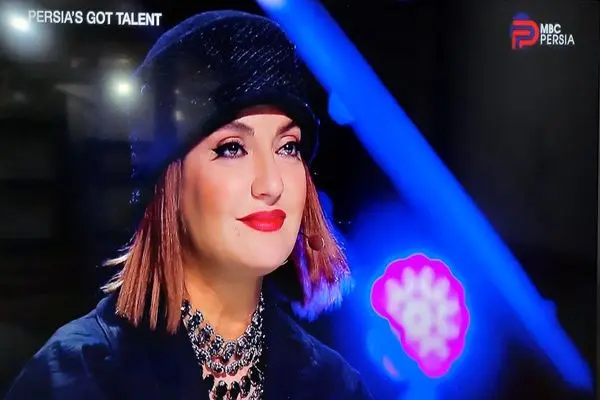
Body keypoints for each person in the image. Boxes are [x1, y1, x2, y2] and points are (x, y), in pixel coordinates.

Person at [5, 10, 373, 400]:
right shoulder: (82, 375)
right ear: (169, 180)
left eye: (288, 147)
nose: (271, 184)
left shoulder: (334, 386)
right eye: (232, 148)